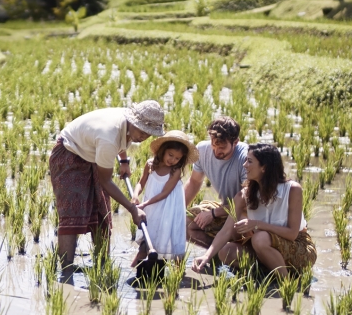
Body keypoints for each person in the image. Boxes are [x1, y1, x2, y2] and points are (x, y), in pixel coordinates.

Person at [48, 100, 166, 271]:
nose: (143, 137)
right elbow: (106, 181)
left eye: (148, 134)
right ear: (133, 121)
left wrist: (124, 160)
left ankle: (102, 265)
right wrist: (133, 209)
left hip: (92, 152)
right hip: (70, 153)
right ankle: (66, 269)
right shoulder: (108, 136)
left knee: (102, 210)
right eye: (141, 131)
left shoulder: (126, 126)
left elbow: (121, 138)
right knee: (71, 213)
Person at [191, 143, 317, 278]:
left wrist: (257, 224)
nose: (244, 165)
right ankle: (266, 271)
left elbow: (292, 234)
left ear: (264, 167)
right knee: (226, 252)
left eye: (249, 161)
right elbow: (226, 231)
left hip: (298, 247)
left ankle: (286, 281)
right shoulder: (244, 195)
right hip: (262, 247)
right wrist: (206, 256)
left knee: (260, 238)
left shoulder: (292, 189)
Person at [130, 130, 197, 269]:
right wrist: (136, 195)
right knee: (147, 240)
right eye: (170, 155)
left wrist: (144, 204)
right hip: (152, 208)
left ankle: (179, 274)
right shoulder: (150, 164)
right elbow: (141, 183)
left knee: (170, 237)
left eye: (177, 158)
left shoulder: (175, 171)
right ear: (163, 151)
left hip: (169, 209)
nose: (172, 160)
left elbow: (164, 193)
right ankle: (132, 271)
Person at [184, 116, 247, 250]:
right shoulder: (202, 150)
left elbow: (246, 203)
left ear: (235, 142)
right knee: (184, 223)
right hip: (224, 208)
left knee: (237, 229)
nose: (217, 151)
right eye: (214, 144)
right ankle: (215, 256)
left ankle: (237, 255)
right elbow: (194, 182)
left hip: (245, 213)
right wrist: (175, 210)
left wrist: (213, 214)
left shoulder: (246, 158)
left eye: (222, 147)